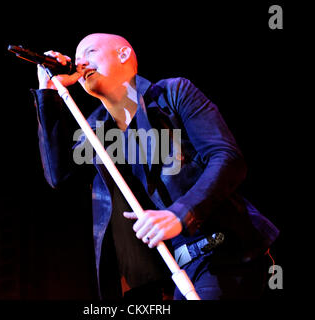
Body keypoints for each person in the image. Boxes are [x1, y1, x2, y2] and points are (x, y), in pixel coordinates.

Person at [30, 33, 279, 300]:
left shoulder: (173, 93)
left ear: (123, 54)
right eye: (76, 59)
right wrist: (48, 93)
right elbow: (59, 176)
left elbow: (227, 158)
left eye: (89, 53)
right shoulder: (96, 131)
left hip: (223, 250)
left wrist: (180, 214)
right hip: (170, 273)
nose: (80, 64)